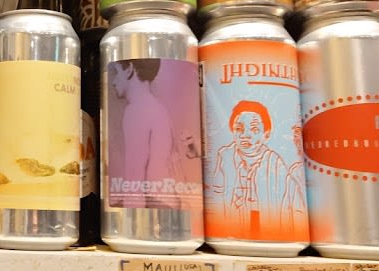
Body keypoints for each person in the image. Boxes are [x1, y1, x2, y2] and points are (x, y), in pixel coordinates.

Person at [108, 59, 199, 234]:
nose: (113, 81)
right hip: (169, 202)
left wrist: (133, 229)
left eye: (117, 73)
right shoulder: (157, 107)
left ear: (130, 70)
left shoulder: (137, 110)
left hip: (153, 205)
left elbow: (135, 175)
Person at [207, 100, 305, 240]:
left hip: (270, 233)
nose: (245, 135)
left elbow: (296, 209)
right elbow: (215, 196)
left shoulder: (276, 165)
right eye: (239, 129)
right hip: (229, 232)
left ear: (266, 135)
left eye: (254, 130)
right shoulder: (224, 157)